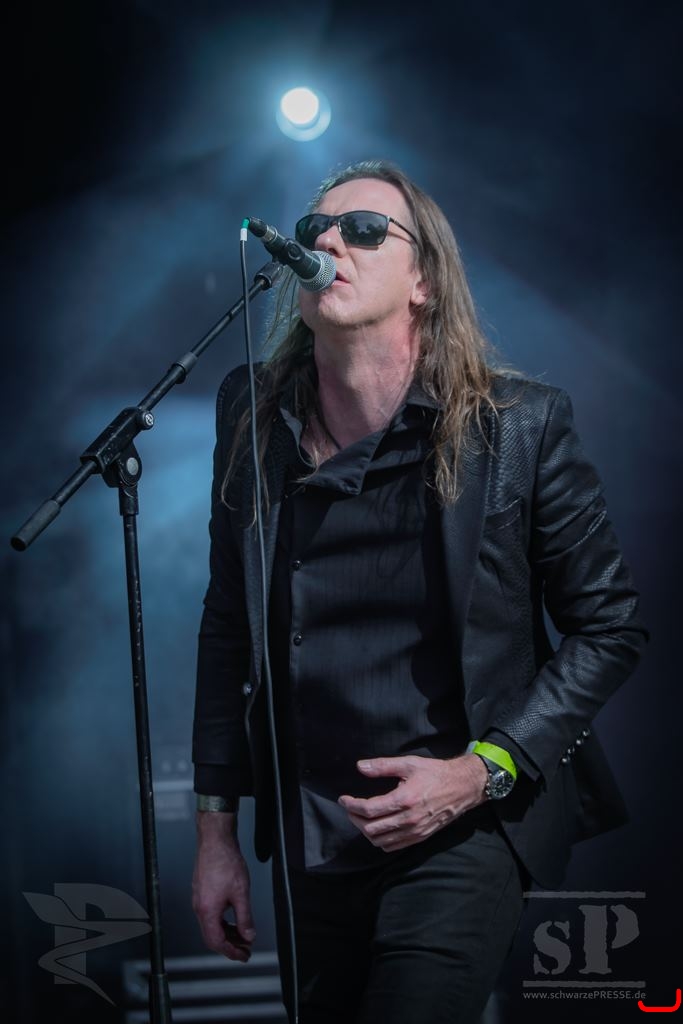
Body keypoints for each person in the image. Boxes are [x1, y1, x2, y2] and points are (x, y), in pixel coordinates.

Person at [191, 159, 647, 1023]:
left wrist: (484, 770)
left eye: (364, 230)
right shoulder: (250, 415)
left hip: (459, 826)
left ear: (424, 283)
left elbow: (609, 627)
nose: (329, 241)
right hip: (311, 833)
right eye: (316, 227)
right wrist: (215, 837)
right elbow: (226, 630)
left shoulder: (515, 425)